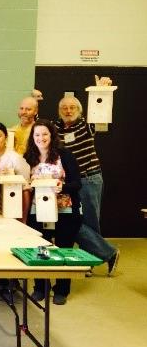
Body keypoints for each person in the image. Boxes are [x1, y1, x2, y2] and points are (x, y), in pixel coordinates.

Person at [55, 96, 119, 275]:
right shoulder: (56, 127)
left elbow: (101, 112)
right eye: (64, 108)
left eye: (72, 107)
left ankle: (91, 262)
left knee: (90, 222)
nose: (68, 111)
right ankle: (109, 253)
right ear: (59, 110)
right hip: (70, 183)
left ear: (80, 110)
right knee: (72, 221)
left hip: (89, 179)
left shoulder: (87, 125)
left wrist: (103, 90)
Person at [24, 119, 82, 305]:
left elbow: (77, 183)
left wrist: (62, 186)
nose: (41, 138)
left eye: (45, 134)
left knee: (64, 249)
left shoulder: (64, 155)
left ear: (52, 135)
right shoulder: (28, 157)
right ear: (32, 137)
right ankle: (41, 287)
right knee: (41, 249)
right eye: (37, 135)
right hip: (37, 210)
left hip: (64, 210)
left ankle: (62, 289)